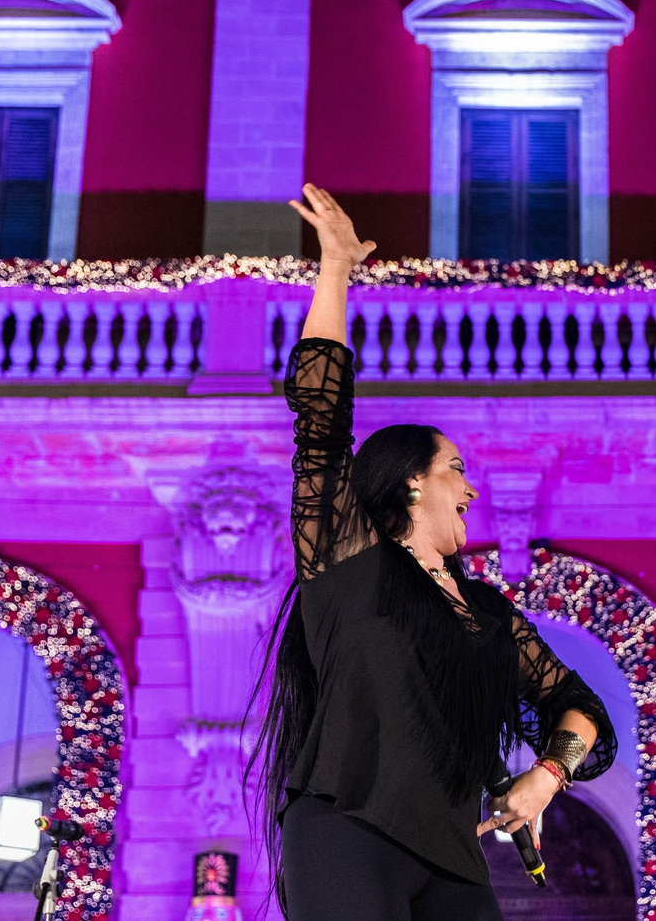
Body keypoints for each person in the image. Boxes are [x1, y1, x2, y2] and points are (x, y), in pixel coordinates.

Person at [248, 185, 618, 921]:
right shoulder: (349, 562)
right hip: (346, 829)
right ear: (412, 483)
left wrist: (546, 776)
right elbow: (321, 414)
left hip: (454, 862)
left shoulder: (486, 613)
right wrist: (336, 270)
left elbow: (580, 711)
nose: (472, 492)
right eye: (457, 470)